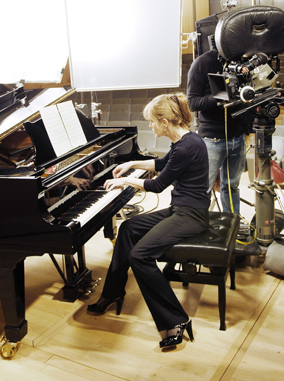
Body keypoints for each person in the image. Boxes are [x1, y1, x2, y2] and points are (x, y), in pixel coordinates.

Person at [87, 93, 210, 349]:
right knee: (129, 228)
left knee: (140, 256)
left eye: (152, 122)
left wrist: (125, 180)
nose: (150, 126)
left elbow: (157, 184)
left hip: (191, 216)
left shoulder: (188, 147)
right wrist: (132, 162)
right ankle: (113, 292)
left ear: (165, 122)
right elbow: (163, 163)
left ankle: (176, 320)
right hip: (181, 209)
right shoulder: (184, 141)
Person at [187, 46, 251, 214]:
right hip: (212, 140)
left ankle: (232, 225)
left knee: (231, 187)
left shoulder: (243, 61)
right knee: (203, 189)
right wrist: (220, 96)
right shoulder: (202, 63)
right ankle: (197, 227)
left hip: (238, 137)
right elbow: (192, 103)